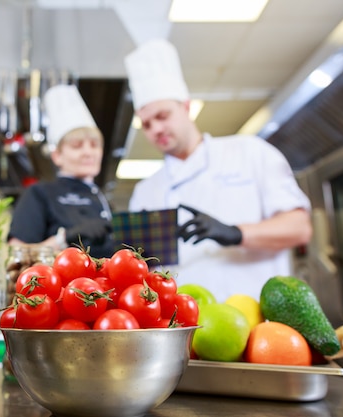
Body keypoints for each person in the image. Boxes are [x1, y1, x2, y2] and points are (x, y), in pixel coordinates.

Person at [123, 39, 313, 302]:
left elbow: (299, 227)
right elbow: (141, 266)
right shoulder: (145, 190)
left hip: (257, 319)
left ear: (186, 106)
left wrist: (236, 233)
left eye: (162, 116)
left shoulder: (249, 152)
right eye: (146, 124)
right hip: (180, 327)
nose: (155, 129)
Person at [7, 84, 114, 258]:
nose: (88, 152)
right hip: (62, 285)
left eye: (94, 145)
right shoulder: (39, 194)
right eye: (76, 146)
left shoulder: (103, 200)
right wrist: (65, 239)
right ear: (57, 155)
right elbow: (15, 254)